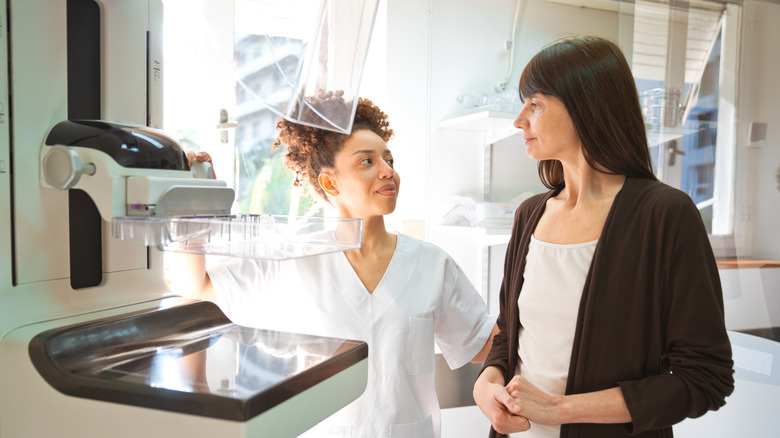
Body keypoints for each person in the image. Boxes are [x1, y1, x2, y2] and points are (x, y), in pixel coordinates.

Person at [191, 93, 497, 438]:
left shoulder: (431, 264)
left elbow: (485, 344)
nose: (388, 172)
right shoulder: (296, 260)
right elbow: (196, 287)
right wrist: (193, 199)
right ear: (330, 182)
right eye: (366, 162)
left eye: (389, 159)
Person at [472, 36, 734, 438]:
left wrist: (561, 409)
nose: (519, 120)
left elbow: (704, 378)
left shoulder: (665, 215)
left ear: (585, 106)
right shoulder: (529, 215)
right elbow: (509, 335)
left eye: (535, 104)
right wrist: (486, 383)